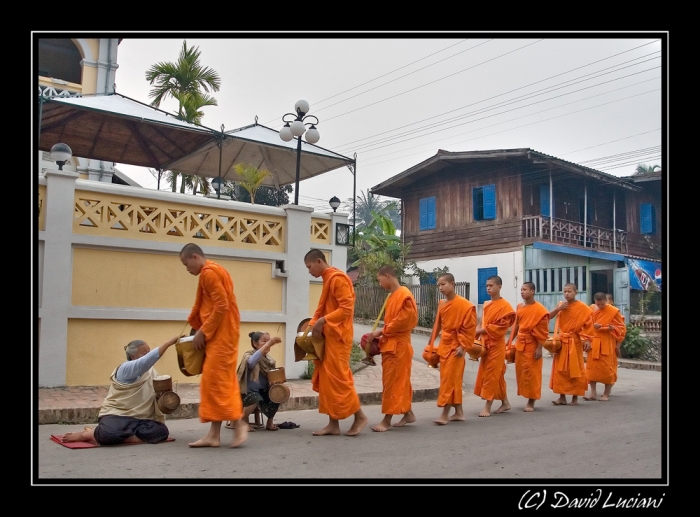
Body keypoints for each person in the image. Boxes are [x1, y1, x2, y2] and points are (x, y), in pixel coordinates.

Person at [180, 242, 247, 448]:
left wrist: (203, 331)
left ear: (195, 257)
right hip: (220, 335)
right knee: (216, 382)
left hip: (222, 335)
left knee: (216, 381)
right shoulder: (213, 271)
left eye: (186, 264)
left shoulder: (209, 273)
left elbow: (221, 306)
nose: (187, 269)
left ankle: (239, 424)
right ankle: (214, 435)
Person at [61, 335, 180, 446]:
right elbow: (145, 362)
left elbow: (153, 392)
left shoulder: (150, 372)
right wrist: (169, 343)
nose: (148, 355)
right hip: (118, 415)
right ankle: (86, 434)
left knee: (162, 431)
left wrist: (162, 397)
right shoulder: (125, 369)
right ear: (133, 357)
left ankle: (122, 437)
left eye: (149, 352)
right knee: (109, 433)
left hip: (141, 418)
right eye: (145, 353)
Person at [304, 249, 368, 436]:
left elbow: (346, 308)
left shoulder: (338, 279)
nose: (309, 271)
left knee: (339, 380)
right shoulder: (328, 278)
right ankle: (333, 423)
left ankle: (360, 417)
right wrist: (311, 325)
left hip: (338, 338)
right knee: (327, 381)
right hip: (328, 337)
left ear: (318, 261)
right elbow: (322, 307)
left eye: (309, 267)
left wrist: (323, 320)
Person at [365, 265, 418, 432]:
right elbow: (393, 323)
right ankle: (408, 413)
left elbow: (405, 320)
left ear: (387, 276)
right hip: (391, 345)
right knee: (399, 382)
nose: (379, 284)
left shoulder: (404, 295)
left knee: (393, 384)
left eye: (380, 280)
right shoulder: (392, 296)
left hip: (400, 347)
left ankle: (387, 420)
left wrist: (381, 331)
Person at [433, 273, 477, 425]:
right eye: (439, 285)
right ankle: (459, 412)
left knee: (449, 381)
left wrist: (463, 346)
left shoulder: (465, 305)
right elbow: (438, 325)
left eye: (443, 284)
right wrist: (431, 343)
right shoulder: (442, 304)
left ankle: (445, 413)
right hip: (444, 345)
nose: (441, 288)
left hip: (457, 346)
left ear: (452, 284)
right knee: (452, 379)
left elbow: (470, 328)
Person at [474, 275, 516, 417]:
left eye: (491, 286)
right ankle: (505, 403)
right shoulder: (486, 304)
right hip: (485, 344)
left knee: (492, 375)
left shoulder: (505, 307)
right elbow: (482, 322)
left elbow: (501, 327)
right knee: (495, 375)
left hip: (497, 345)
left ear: (499, 287)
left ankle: (487, 405)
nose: (488, 288)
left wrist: (480, 330)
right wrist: (476, 334)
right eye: (487, 286)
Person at [548, 282, 595, 406]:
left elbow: (588, 325)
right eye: (565, 291)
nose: (567, 294)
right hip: (562, 342)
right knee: (560, 370)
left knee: (575, 369)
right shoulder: (561, 305)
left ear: (576, 293)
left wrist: (588, 340)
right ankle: (561, 397)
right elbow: (547, 317)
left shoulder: (583, 308)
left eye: (569, 291)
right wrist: (558, 309)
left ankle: (575, 398)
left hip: (575, 342)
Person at [228, 331, 283, 431]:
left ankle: (270, 423)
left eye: (268, 341)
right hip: (246, 392)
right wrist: (269, 344)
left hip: (262, 391)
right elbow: (251, 362)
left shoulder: (269, 360)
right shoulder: (249, 355)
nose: (267, 344)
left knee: (277, 394)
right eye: (264, 341)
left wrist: (274, 383)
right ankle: (243, 422)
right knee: (255, 397)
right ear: (254, 343)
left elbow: (270, 377)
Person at [511, 282, 550, 412]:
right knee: (522, 372)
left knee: (532, 373)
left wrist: (539, 348)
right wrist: (510, 341)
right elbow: (516, 325)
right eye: (521, 290)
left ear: (532, 291)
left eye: (525, 289)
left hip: (532, 344)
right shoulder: (519, 307)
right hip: (520, 344)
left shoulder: (540, 310)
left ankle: (531, 401)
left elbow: (543, 331)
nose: (522, 292)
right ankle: (526, 395)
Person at [584, 292, 627, 401]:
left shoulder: (613, 311)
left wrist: (609, 327)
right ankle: (593, 393)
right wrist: (588, 338)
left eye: (602, 304)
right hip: (594, 342)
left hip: (607, 342)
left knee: (607, 369)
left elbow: (621, 328)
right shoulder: (592, 309)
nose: (600, 307)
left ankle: (606, 393)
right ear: (595, 302)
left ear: (606, 301)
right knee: (591, 370)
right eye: (598, 304)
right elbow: (586, 325)